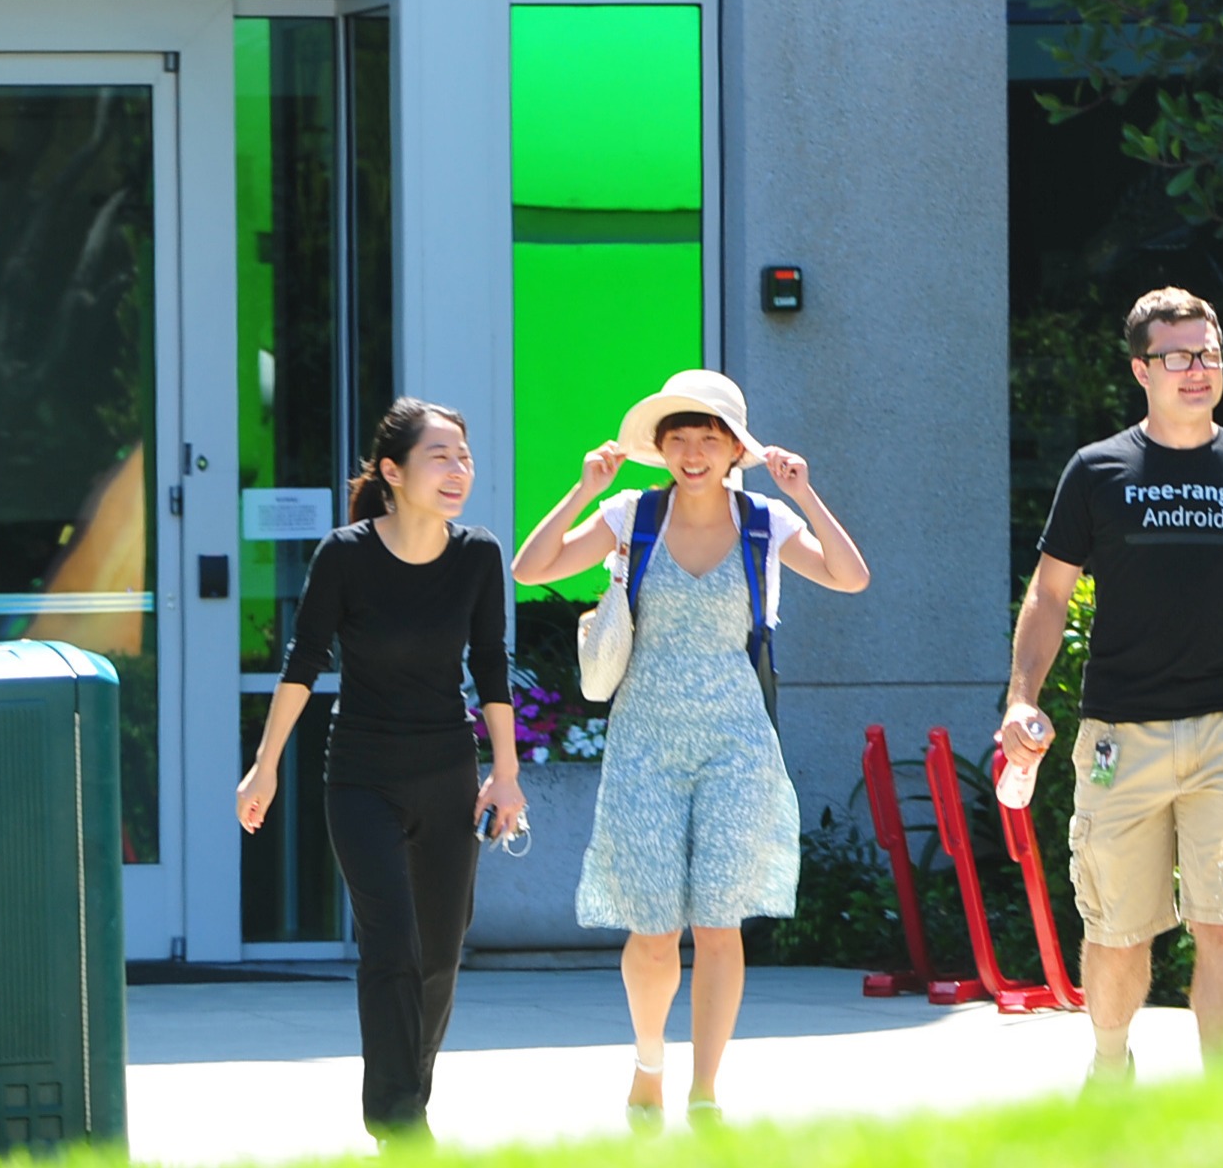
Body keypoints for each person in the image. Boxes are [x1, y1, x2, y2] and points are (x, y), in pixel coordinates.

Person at [511, 369, 868, 1129]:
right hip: (644, 739)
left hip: (737, 742)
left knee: (718, 923)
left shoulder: (764, 520)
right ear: (662, 447)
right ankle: (649, 1065)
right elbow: (530, 568)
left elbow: (850, 576)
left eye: (710, 437)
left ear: (736, 448)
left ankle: (705, 1090)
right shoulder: (632, 515)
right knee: (651, 931)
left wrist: (805, 493)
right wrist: (583, 490)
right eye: (680, 438)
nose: (694, 452)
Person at [1002, 287, 1223, 1078]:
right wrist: (1020, 697)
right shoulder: (1095, 470)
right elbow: (1048, 594)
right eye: (1177, 356)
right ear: (1140, 369)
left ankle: (1221, 1106)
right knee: (1116, 929)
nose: (1197, 369)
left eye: (1207, 353)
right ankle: (1110, 1065)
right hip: (1120, 734)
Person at [236, 397, 524, 1142]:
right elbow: (303, 662)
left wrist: (506, 772)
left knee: (439, 953)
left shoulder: (478, 555)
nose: (457, 470)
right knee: (391, 946)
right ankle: (399, 1124)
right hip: (361, 776)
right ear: (392, 472)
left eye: (464, 457)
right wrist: (265, 766)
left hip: (447, 773)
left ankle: (406, 1100)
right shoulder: (346, 555)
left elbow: (491, 666)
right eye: (440, 456)